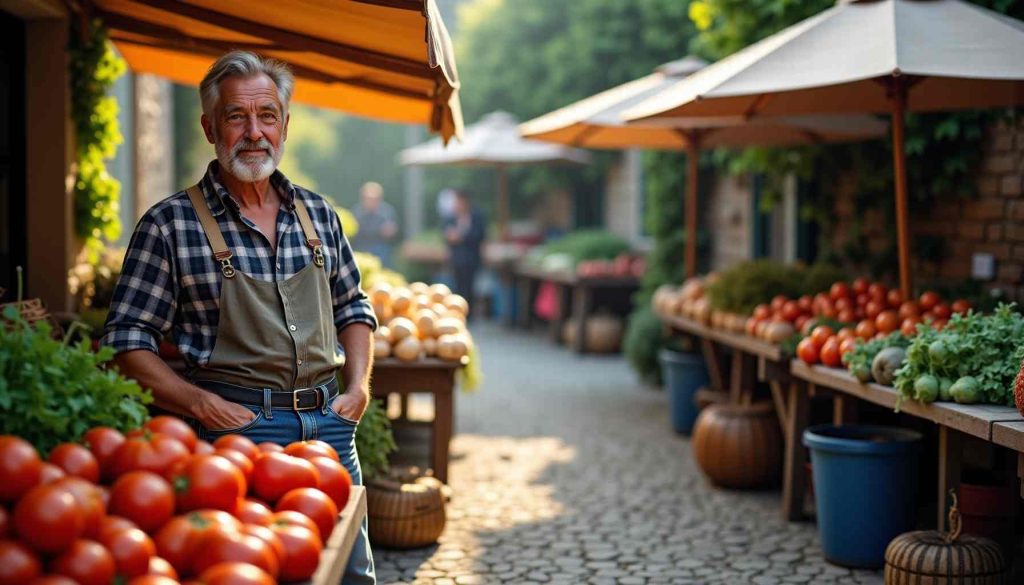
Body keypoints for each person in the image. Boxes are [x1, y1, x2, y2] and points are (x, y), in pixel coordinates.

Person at [101, 51, 377, 584]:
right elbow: (126, 341)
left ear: (286, 123)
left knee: (350, 572)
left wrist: (359, 387)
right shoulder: (168, 225)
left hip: (332, 428)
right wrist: (202, 403)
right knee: (252, 572)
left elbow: (354, 308)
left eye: (267, 115)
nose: (255, 132)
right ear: (210, 127)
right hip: (238, 436)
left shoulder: (319, 214)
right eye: (236, 117)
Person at [443, 189, 486, 318]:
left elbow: (480, 234)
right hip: (456, 258)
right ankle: (457, 311)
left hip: (471, 257)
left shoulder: (477, 215)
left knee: (470, 286)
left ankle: (469, 314)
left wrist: (461, 237)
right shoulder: (451, 216)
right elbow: (446, 234)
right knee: (457, 285)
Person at [351, 181, 398, 267]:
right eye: (369, 198)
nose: (371, 202)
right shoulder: (356, 212)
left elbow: (391, 232)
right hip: (360, 248)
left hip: (380, 249)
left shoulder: (387, 212)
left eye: (375, 199)